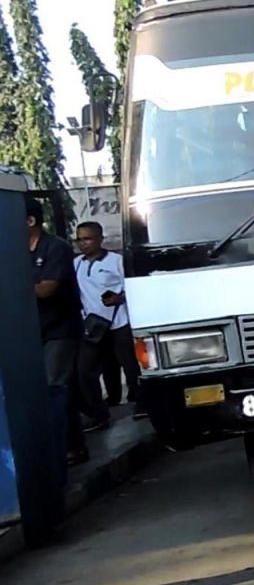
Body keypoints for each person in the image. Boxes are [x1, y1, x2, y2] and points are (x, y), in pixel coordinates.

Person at [27, 195, 88, 467]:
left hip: (60, 330)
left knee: (55, 387)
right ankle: (65, 446)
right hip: (32, 331)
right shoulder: (15, 251)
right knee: (49, 390)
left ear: (30, 221)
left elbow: (46, 289)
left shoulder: (56, 248)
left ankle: (66, 448)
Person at [73, 222, 143, 416]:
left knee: (129, 365)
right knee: (86, 369)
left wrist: (120, 298)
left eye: (87, 238)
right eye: (79, 239)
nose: (83, 243)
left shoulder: (116, 261)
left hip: (118, 322)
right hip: (94, 326)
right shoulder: (77, 263)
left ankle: (140, 402)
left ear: (100, 239)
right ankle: (99, 409)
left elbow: (133, 286)